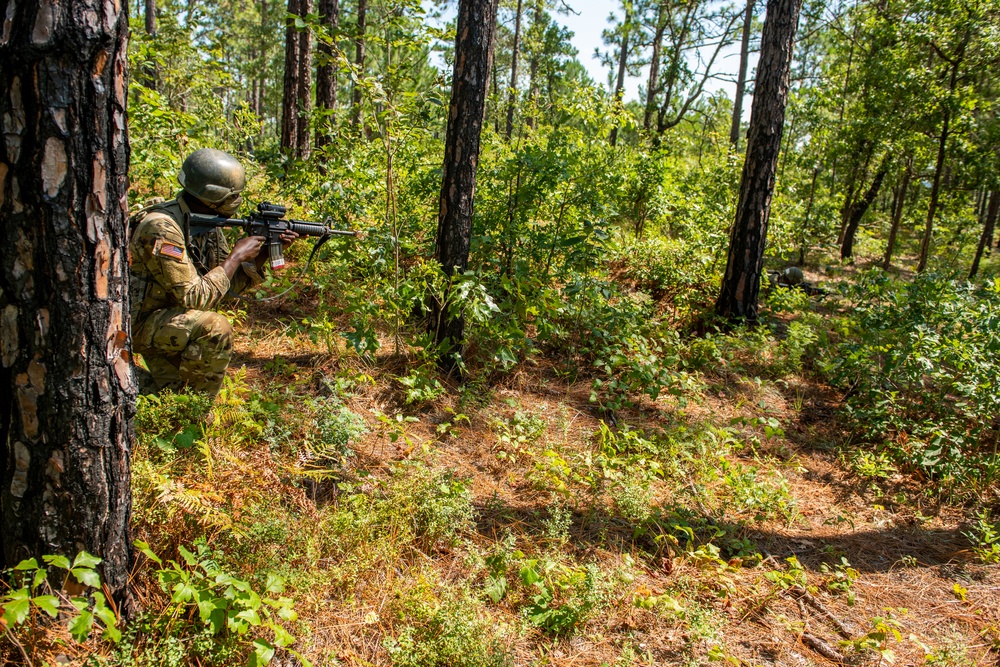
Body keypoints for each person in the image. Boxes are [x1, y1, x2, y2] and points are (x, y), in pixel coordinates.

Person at [129, 148, 296, 397]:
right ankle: (198, 408)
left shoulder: (206, 222)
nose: (238, 201)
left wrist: (261, 256)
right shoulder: (162, 227)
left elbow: (223, 288)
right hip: (136, 325)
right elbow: (195, 297)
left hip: (167, 317)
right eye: (233, 195)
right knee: (215, 327)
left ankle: (172, 403)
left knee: (170, 396)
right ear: (213, 196)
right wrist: (236, 256)